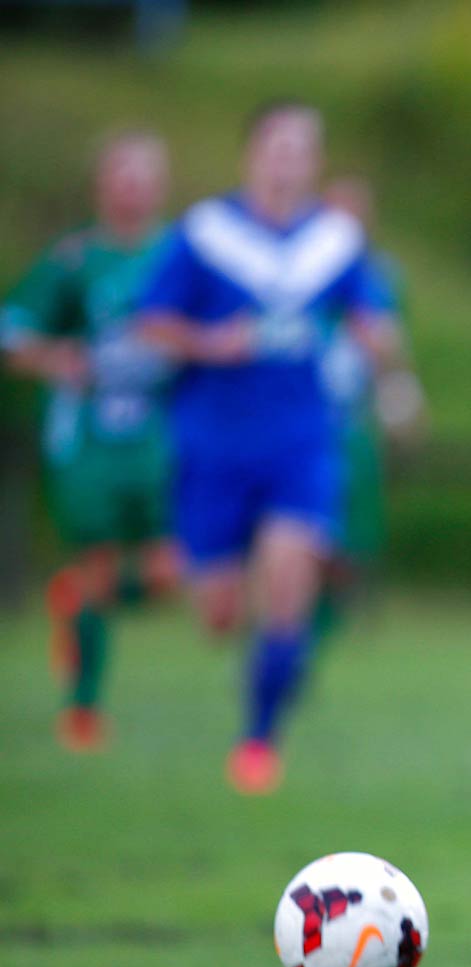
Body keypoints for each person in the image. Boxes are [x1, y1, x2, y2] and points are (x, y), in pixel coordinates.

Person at [137, 102, 399, 796]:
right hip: (213, 442)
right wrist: (208, 343)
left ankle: (257, 743)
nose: (290, 160)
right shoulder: (206, 233)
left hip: (300, 440)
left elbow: (371, 313)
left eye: (303, 149)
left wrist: (380, 341)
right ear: (252, 154)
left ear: (314, 162)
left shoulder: (335, 241)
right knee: (219, 616)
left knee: (287, 581)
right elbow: (151, 322)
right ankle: (260, 650)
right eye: (278, 146)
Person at [1, 131, 181, 751]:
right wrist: (57, 357)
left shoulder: (179, 255)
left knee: (172, 571)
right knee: (99, 563)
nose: (132, 186)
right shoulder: (74, 260)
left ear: (162, 184)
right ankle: (83, 707)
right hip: (89, 441)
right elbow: (12, 333)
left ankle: (72, 601)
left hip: (162, 436)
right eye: (121, 173)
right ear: (101, 184)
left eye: (144, 173)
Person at [314, 176, 426, 637]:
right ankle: (292, 636)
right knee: (304, 536)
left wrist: (403, 399)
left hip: (355, 424)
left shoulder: (381, 276)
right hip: (305, 423)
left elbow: (392, 346)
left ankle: (314, 635)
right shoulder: (296, 270)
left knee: (350, 548)